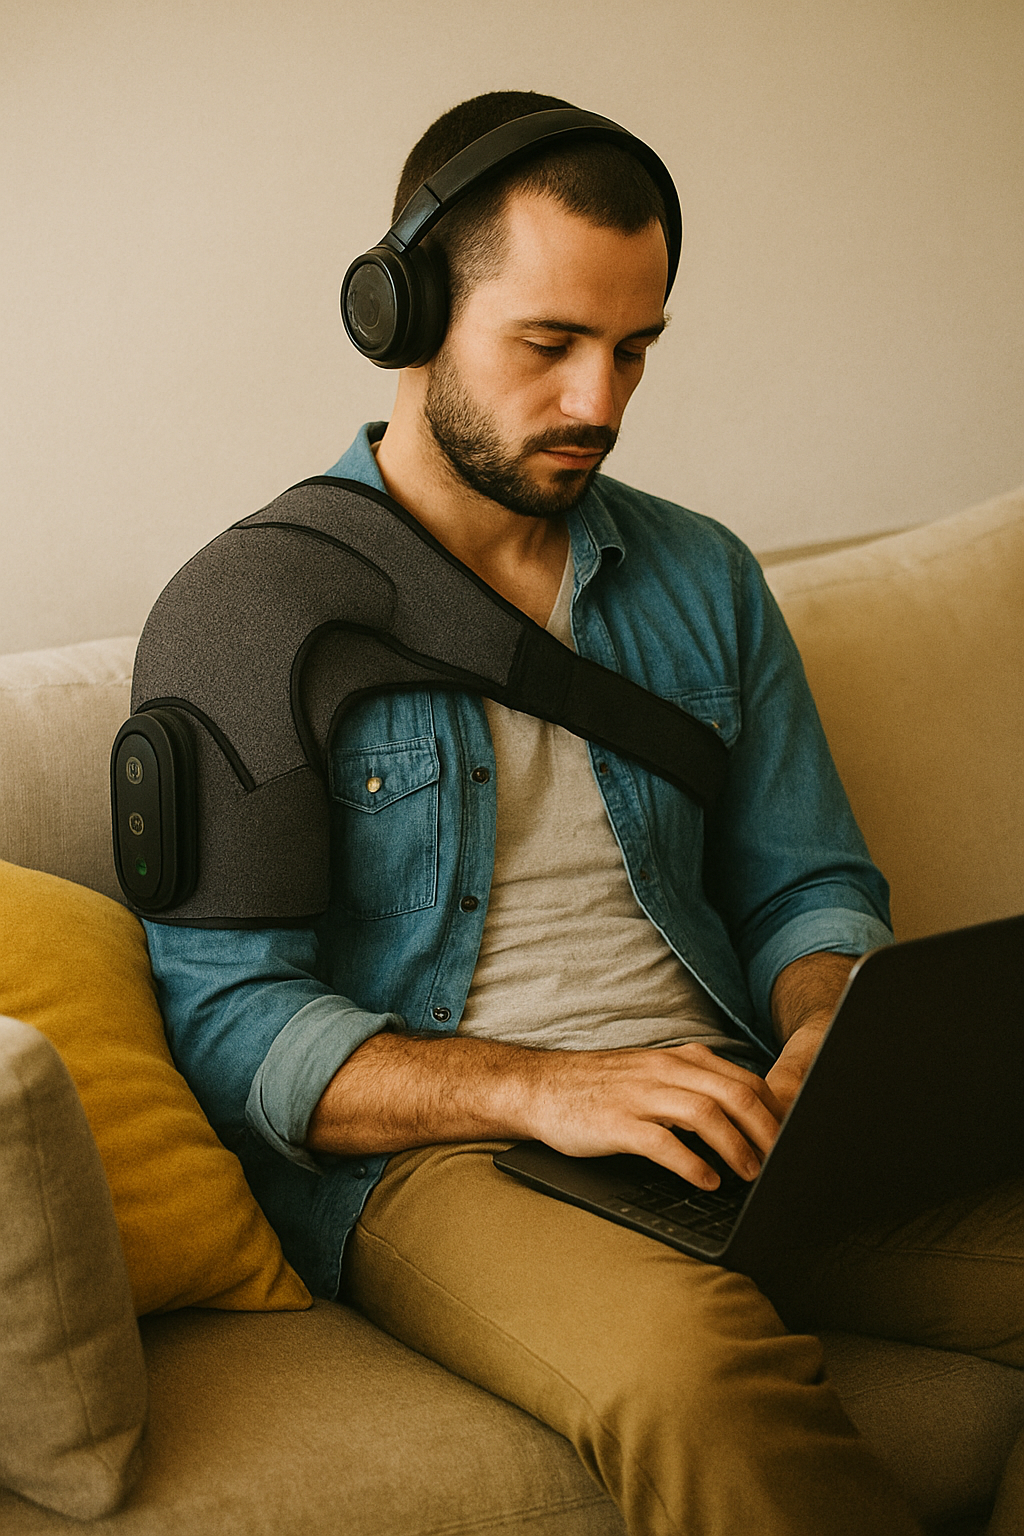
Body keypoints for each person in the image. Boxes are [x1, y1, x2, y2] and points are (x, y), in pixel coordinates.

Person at [144, 92, 1023, 1535]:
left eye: (634, 350)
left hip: (737, 1114)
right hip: (446, 1163)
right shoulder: (249, 615)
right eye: (549, 344)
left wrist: (826, 1032)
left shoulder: (705, 576)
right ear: (405, 311)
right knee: (694, 1375)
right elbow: (233, 1026)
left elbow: (804, 883)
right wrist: (547, 1088)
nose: (598, 404)